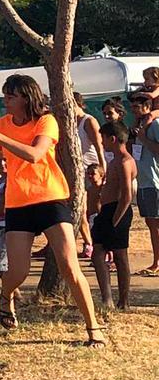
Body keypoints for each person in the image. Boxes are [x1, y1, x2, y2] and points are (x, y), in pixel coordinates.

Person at [0, 74, 106, 347]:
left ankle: (93, 328)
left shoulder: (46, 121)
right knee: (19, 271)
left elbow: (35, 154)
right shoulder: (2, 124)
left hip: (51, 198)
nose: (5, 101)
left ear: (26, 97)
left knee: (70, 266)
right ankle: (5, 294)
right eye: (5, 96)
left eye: (10, 96)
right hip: (19, 202)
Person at [92, 120, 136, 310]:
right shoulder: (113, 161)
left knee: (120, 256)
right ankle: (107, 297)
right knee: (98, 253)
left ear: (113, 138)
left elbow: (127, 195)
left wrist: (115, 221)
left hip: (119, 211)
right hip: (107, 210)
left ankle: (124, 301)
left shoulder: (125, 162)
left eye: (103, 138)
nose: (101, 142)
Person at [128, 91, 159, 277]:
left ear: (147, 108)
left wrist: (145, 138)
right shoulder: (138, 126)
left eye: (137, 107)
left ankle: (157, 262)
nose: (134, 110)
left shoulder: (154, 125)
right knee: (150, 222)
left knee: (155, 223)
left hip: (154, 181)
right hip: (143, 181)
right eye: (132, 107)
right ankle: (156, 259)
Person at [74, 93, 106, 258]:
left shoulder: (89, 121)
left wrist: (103, 169)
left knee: (94, 210)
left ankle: (98, 244)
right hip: (78, 172)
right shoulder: (69, 122)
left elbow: (99, 147)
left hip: (93, 170)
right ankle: (89, 243)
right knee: (80, 209)